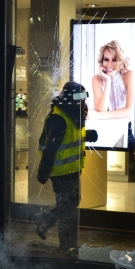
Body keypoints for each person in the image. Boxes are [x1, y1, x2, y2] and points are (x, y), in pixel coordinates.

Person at [36, 82, 97, 256]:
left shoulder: (71, 115)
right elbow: (51, 148)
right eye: (79, 98)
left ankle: (45, 220)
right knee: (68, 209)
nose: (82, 103)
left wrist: (88, 135)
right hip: (61, 171)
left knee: (70, 203)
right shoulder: (59, 118)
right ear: (71, 99)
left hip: (71, 170)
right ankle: (67, 247)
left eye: (84, 98)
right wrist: (44, 171)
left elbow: (70, 137)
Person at [89, 40, 135, 147]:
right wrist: (108, 81)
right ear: (102, 61)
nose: (109, 64)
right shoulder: (96, 79)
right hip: (104, 129)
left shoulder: (128, 75)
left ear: (120, 61)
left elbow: (128, 111)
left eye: (114, 60)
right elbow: (101, 109)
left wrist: (99, 116)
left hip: (124, 130)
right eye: (106, 59)